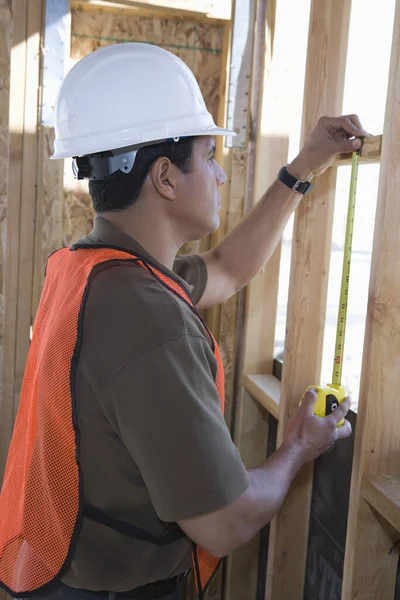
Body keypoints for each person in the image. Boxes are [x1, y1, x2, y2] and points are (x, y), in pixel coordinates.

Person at [0, 43, 366, 600]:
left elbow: (227, 268)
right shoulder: (149, 320)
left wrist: (301, 169)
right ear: (166, 177)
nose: (221, 175)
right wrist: (298, 448)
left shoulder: (89, 269)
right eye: (210, 156)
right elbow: (225, 524)